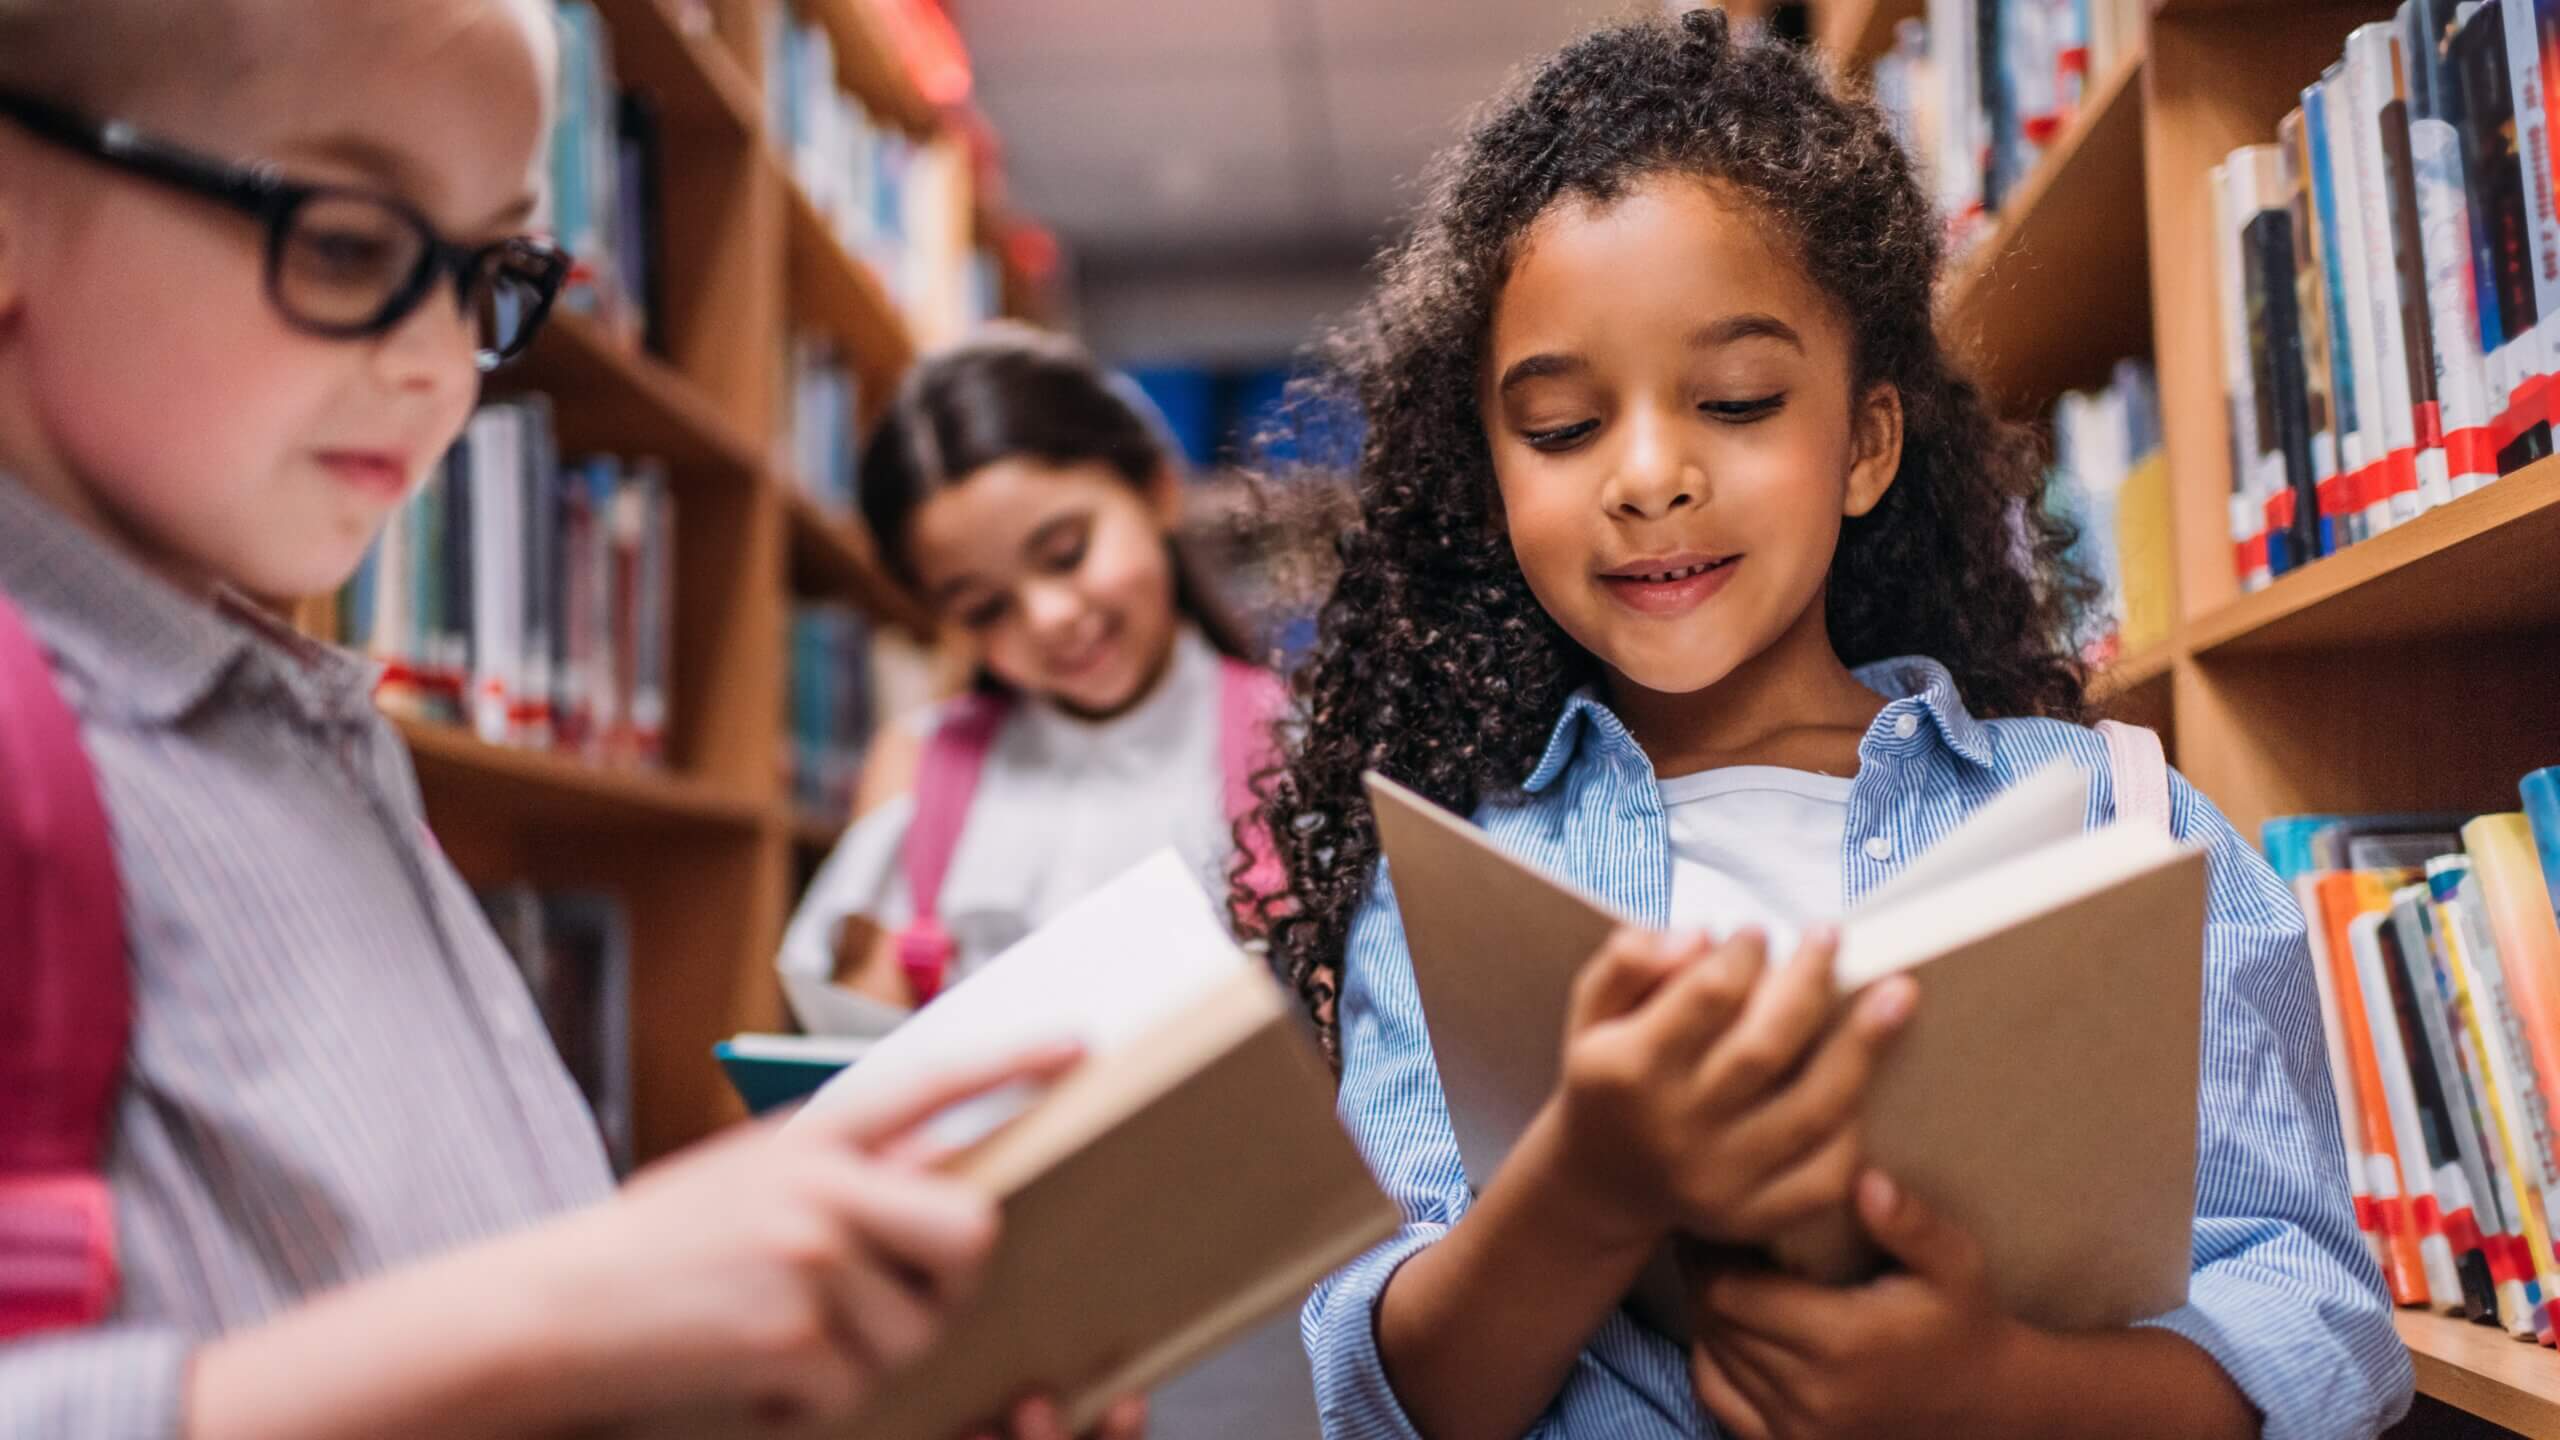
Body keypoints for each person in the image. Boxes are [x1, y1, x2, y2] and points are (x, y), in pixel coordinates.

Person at [1244, 12, 2412, 1439]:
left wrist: (1997, 1390)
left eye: (1735, 401)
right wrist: (1588, 1188)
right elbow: (1376, 1396)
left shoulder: (2121, 820)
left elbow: (2315, 1324)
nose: (1652, 475)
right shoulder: (1451, 893)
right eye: (1560, 428)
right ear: (1493, 480)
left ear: (1863, 443)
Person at [0, 5, 1126, 1437]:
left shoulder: (305, 732)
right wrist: (561, 1317)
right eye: (348, 245)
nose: (443, 367)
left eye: (492, 275)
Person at [780, 325, 1279, 1012]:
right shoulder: (918, 766)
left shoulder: (1298, 740)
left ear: (1159, 489)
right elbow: (865, 1035)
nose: (1047, 617)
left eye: (1067, 552)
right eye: (986, 609)